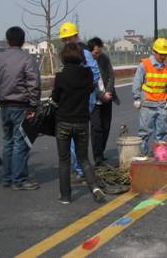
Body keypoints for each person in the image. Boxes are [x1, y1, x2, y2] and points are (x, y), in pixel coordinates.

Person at [52, 43, 106, 204]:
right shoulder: (87, 73)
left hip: (64, 122)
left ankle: (66, 196)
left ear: (64, 57)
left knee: (64, 160)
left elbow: (55, 98)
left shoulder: (61, 76)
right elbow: (90, 90)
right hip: (82, 121)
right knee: (84, 158)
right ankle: (95, 188)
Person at [0, 26, 41, 190]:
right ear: (23, 40)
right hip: (21, 104)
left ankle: (8, 177)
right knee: (21, 142)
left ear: (7, 40)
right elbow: (34, 83)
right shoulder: (27, 58)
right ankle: (19, 180)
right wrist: (33, 104)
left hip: (4, 105)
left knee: (8, 141)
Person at [58, 22, 103, 180]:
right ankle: (80, 168)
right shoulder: (68, 53)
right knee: (72, 136)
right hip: (73, 99)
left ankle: (81, 167)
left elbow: (95, 75)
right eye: (63, 40)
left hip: (84, 99)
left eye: (67, 38)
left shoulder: (84, 52)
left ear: (75, 36)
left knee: (77, 135)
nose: (65, 42)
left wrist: (82, 87)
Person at [132, 38, 167, 155]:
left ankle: (159, 156)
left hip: (162, 104)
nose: (163, 57)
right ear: (154, 52)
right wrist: (136, 98)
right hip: (147, 103)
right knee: (144, 133)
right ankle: (143, 155)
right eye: (161, 54)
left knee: (161, 133)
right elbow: (137, 82)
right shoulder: (144, 65)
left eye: (165, 54)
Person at [87, 37, 117, 166]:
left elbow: (111, 75)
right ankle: (97, 157)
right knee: (96, 129)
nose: (97, 55)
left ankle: (102, 152)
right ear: (90, 51)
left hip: (107, 98)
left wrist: (108, 92)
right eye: (95, 53)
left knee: (106, 127)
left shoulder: (104, 58)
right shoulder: (86, 62)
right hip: (94, 100)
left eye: (99, 52)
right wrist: (101, 96)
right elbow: (89, 84)